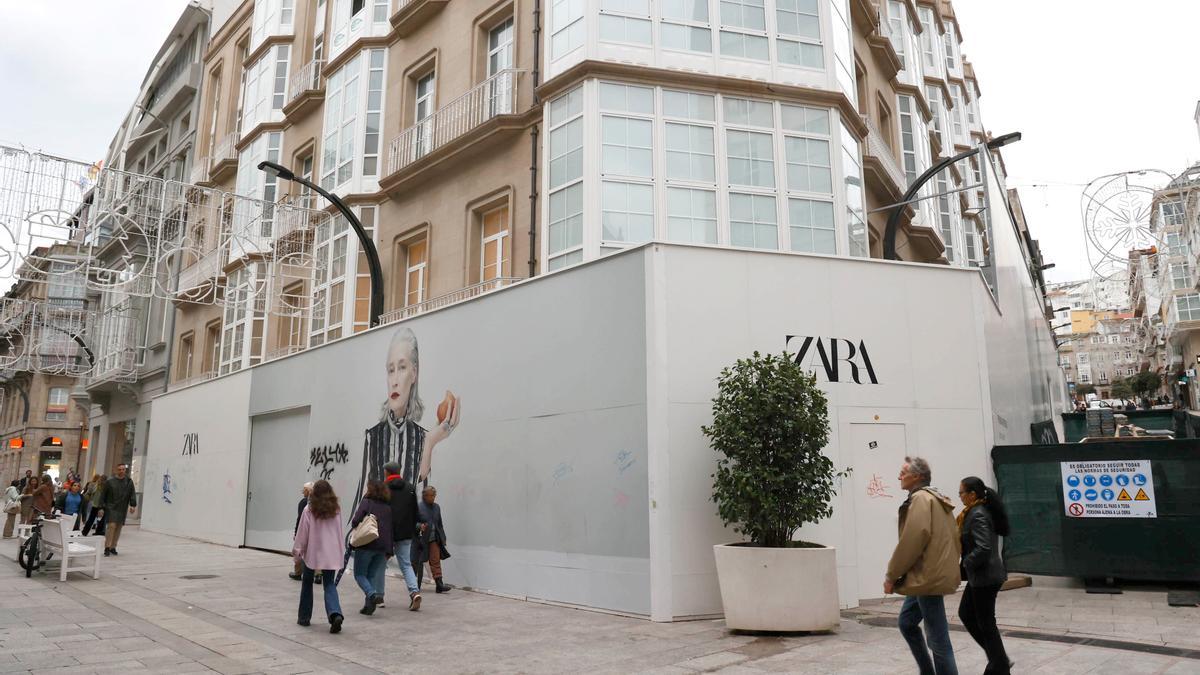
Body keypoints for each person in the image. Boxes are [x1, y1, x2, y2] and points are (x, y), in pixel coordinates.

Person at [353, 327, 461, 512]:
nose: (394, 380)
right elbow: (360, 505)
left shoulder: (423, 437)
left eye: (402, 368)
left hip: (406, 538)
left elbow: (420, 503)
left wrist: (429, 443)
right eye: (390, 370)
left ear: (414, 373)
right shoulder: (373, 437)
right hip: (380, 537)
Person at [885, 457, 961, 675]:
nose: (899, 476)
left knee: (938, 639)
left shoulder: (920, 500)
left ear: (917, 476)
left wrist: (891, 576)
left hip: (927, 577)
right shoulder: (936, 499)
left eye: (903, 472)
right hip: (928, 575)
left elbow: (912, 541)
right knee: (907, 623)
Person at [957, 477, 1012, 675]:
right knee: (967, 614)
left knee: (986, 623)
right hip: (982, 577)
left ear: (972, 494)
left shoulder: (977, 514)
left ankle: (999, 665)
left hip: (985, 577)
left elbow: (984, 547)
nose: (960, 497)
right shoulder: (973, 512)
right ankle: (999, 659)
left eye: (961, 493)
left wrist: (966, 562)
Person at [292, 479, 345, 633]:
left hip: (313, 552)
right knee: (329, 583)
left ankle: (304, 618)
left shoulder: (309, 509)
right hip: (331, 552)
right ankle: (335, 613)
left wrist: (297, 552)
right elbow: (339, 531)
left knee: (307, 582)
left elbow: (302, 533)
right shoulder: (336, 509)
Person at [383, 460, 425, 611]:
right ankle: (414, 592)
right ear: (399, 471)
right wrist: (419, 525)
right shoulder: (410, 488)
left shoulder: (383, 488)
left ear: (387, 472)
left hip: (386, 532)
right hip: (405, 532)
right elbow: (415, 511)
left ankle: (378, 596)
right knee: (406, 564)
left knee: (380, 563)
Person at [349, 480, 394, 616]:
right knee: (371, 575)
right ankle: (369, 607)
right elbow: (390, 529)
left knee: (360, 574)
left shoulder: (367, 502)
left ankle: (372, 594)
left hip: (366, 544)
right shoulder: (387, 508)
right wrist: (389, 549)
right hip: (382, 547)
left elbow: (355, 521)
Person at [413, 485, 452, 593]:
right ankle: (415, 585)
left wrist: (443, 537)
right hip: (422, 539)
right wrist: (419, 526)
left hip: (434, 538)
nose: (433, 497)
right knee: (420, 561)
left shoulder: (437, 507)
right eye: (431, 495)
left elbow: (439, 524)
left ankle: (439, 584)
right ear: (425, 496)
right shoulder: (418, 507)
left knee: (435, 560)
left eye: (434, 495)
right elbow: (412, 522)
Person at [98, 463, 138, 556]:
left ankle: (113, 546)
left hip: (122, 508)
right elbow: (103, 495)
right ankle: (107, 547)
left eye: (123, 469)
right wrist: (101, 507)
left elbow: (132, 493)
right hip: (111, 507)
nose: (121, 471)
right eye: (119, 469)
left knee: (118, 527)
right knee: (111, 526)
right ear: (116, 470)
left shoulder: (129, 482)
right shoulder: (110, 481)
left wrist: (133, 505)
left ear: (125, 470)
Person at [290, 482, 314, 581]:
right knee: (315, 551)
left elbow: (300, 519)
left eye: (304, 489)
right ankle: (317, 575)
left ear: (308, 491)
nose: (302, 491)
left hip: (305, 530)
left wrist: (296, 533)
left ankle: (298, 572)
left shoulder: (304, 503)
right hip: (316, 534)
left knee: (299, 550)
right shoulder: (321, 503)